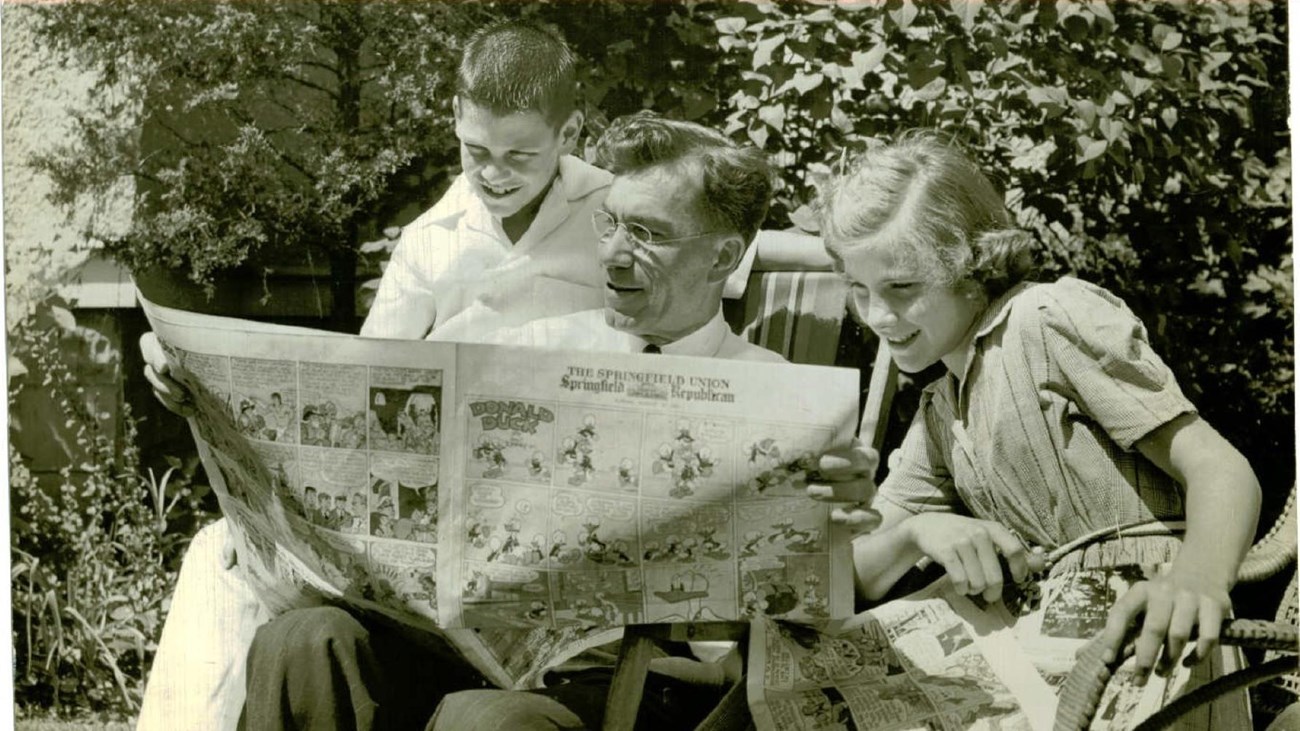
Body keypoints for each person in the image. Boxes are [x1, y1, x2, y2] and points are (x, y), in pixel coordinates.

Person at [136, 19, 612, 731]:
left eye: (521, 154)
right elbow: (355, 399)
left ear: (570, 131)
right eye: (476, 149)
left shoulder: (618, 221)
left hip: (557, 559)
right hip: (427, 574)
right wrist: (194, 386)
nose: (494, 173)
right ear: (454, 116)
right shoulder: (431, 243)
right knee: (255, 593)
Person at [253, 111, 782, 731]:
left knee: (484, 722)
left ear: (722, 256)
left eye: (645, 232)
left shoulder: (771, 392)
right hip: (469, 644)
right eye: (608, 222)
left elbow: (782, 604)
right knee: (303, 642)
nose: (611, 252)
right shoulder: (536, 348)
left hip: (636, 674)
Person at [808, 133, 1261, 684]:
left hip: (1153, 639)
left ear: (971, 267)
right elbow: (847, 585)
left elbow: (1220, 468)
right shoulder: (939, 409)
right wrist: (915, 533)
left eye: (902, 286)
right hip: (1045, 655)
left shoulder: (1045, 319)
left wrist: (1199, 579)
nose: (878, 315)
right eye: (859, 289)